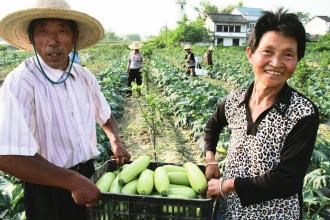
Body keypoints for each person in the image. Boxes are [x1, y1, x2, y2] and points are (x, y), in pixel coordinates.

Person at [0, 0, 131, 220]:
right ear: (32, 39)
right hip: (46, 186)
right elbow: (6, 155)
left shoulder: (83, 76)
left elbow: (104, 113)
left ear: (74, 39)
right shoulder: (22, 82)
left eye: (62, 30)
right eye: (43, 31)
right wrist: (70, 180)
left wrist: (115, 140)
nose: (53, 41)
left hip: (88, 176)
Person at [204, 8, 319, 220]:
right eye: (268, 51)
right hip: (229, 212)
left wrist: (228, 184)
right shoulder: (234, 101)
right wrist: (210, 159)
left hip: (276, 215)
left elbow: (288, 179)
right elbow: (212, 125)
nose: (276, 63)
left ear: (297, 60)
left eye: (288, 54)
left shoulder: (303, 112)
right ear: (251, 54)